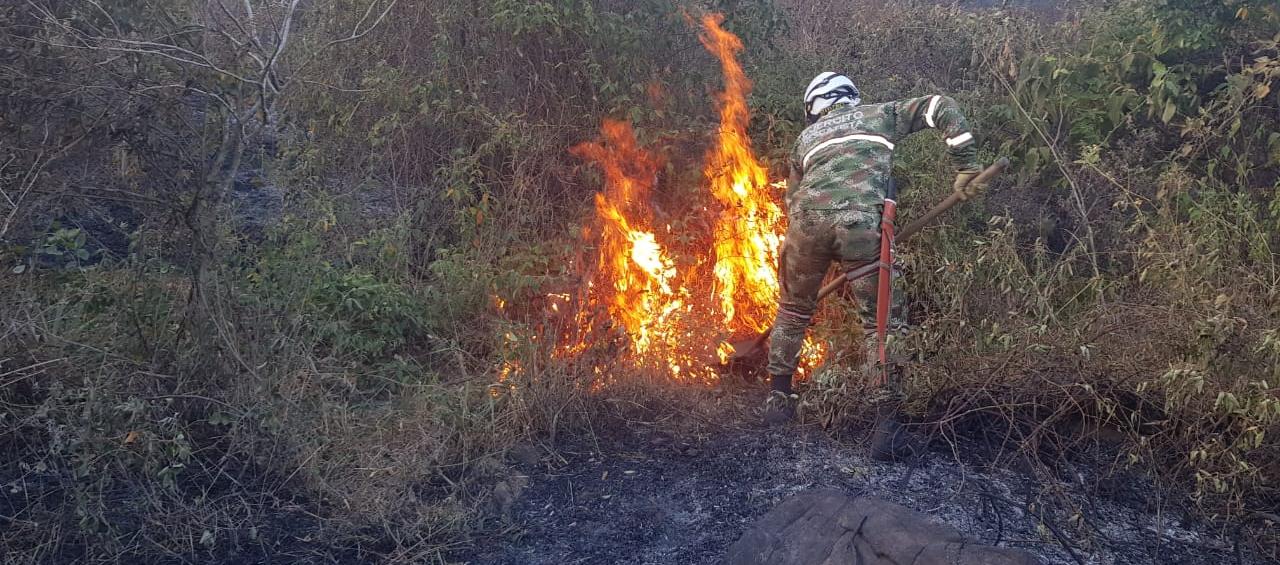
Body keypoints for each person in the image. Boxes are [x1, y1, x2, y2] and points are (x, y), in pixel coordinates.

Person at [762, 72, 985, 459]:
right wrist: (966, 165)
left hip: (804, 229)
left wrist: (816, 233)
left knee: (793, 311)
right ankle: (887, 428)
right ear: (850, 96)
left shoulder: (805, 139)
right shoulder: (881, 114)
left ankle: (777, 401)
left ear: (814, 106)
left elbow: (792, 198)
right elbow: (940, 106)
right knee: (881, 325)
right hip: (861, 228)